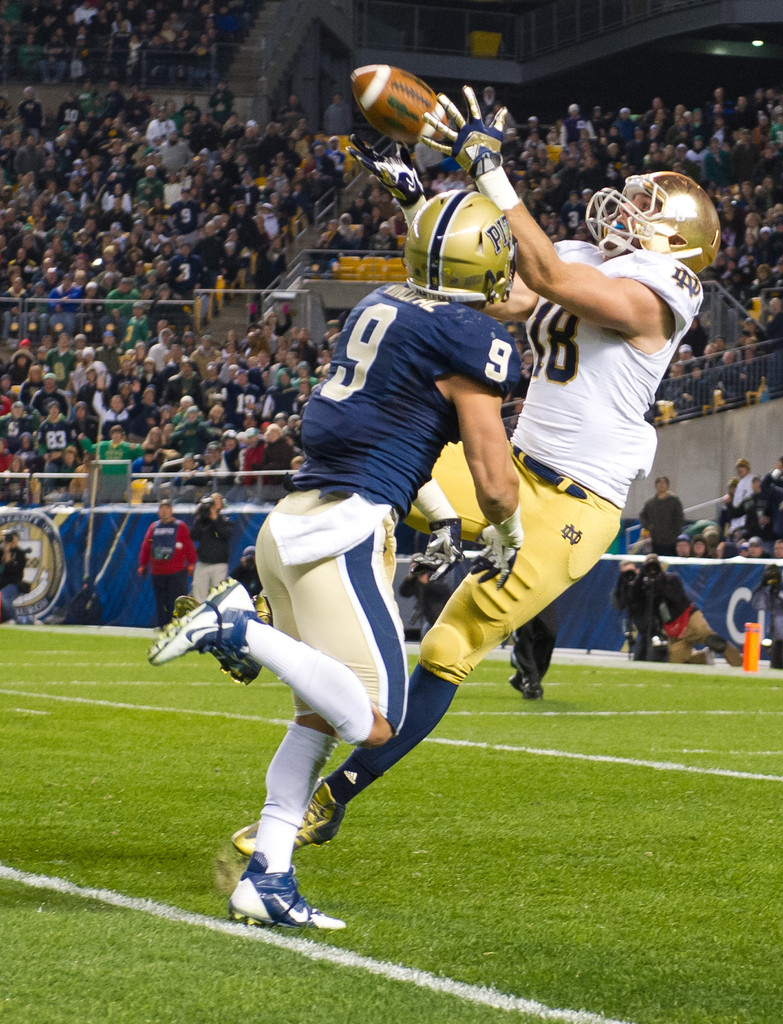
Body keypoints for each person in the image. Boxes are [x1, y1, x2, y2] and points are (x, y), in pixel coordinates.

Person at [239, 92, 721, 857]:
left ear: (675, 239)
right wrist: (413, 197)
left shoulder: (666, 294)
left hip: (572, 504)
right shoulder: (591, 261)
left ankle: (333, 797)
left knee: (448, 646)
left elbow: (550, 278)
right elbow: (486, 284)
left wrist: (489, 171)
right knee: (378, 463)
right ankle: (266, 596)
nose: (624, 211)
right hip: (512, 465)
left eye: (643, 208)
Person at [147, 187, 525, 931]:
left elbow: (382, 431)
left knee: (316, 720)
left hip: (292, 523)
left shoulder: (381, 305)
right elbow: (495, 479)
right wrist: (506, 534)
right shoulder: (466, 339)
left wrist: (438, 513)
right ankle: (239, 628)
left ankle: (268, 878)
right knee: (376, 722)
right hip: (344, 532)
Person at [138, 499, 197, 627]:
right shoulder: (154, 527)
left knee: (174, 601)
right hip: (158, 571)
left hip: (176, 571)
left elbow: (189, 546)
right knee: (161, 601)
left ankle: (175, 625)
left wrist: (192, 563)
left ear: (171, 511)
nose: (164, 512)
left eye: (167, 509)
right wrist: (143, 564)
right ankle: (162, 625)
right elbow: (146, 546)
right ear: (159, 511)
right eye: (162, 510)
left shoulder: (180, 526)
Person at [750, 563, 783, 669]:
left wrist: (780, 593)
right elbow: (759, 605)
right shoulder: (768, 588)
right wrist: (761, 586)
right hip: (777, 636)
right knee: (776, 669)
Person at [613, 559, 668, 662]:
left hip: (655, 629)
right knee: (639, 659)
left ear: (637, 570)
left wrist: (641, 576)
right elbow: (619, 604)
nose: (630, 575)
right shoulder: (624, 589)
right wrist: (621, 582)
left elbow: (654, 595)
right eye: (626, 573)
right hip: (643, 632)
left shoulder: (646, 583)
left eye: (632, 571)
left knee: (655, 657)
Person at [507, 601, 558, 700]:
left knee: (549, 634)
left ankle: (523, 678)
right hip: (521, 594)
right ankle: (531, 681)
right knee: (525, 632)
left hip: (545, 593)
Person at [189, 492, 234, 601]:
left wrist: (215, 519)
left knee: (218, 596)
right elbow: (193, 535)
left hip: (219, 565)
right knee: (198, 596)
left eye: (217, 501)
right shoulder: (203, 521)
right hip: (203, 563)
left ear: (222, 504)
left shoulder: (226, 521)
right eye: (212, 501)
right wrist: (199, 518)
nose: (213, 504)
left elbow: (226, 534)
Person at [639, 475, 685, 555]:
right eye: (659, 482)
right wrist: (649, 527)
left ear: (667, 485)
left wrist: (675, 532)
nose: (661, 484)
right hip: (655, 540)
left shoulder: (674, 501)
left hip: (671, 541)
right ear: (656, 485)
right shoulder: (650, 502)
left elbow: (680, 518)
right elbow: (642, 516)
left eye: (664, 482)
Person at [0, 529, 27, 623]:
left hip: (13, 583)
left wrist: (7, 552)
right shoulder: (1, 551)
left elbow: (12, 569)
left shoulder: (20, 553)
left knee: (4, 598)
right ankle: (6, 619)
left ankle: (15, 619)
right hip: (2, 583)